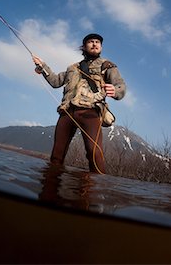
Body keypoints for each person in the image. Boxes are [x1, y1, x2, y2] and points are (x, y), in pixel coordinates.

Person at [32, 33, 126, 174]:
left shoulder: (108, 65)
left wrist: (116, 90)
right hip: (67, 112)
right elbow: (56, 81)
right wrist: (43, 66)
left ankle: (96, 191)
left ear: (100, 47)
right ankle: (50, 190)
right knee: (57, 154)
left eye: (97, 42)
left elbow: (120, 85)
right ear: (84, 46)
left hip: (91, 112)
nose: (94, 44)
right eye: (90, 42)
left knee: (94, 154)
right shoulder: (73, 68)